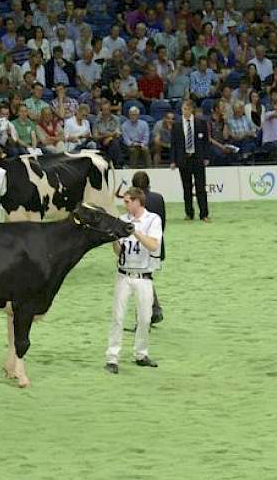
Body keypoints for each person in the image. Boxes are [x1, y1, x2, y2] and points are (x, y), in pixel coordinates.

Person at [104, 187, 163, 374]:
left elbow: (154, 246)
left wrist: (135, 232)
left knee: (145, 318)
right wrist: (114, 239)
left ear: (138, 201)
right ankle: (112, 358)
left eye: (128, 201)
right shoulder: (122, 220)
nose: (126, 205)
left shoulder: (153, 220)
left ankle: (141, 354)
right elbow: (119, 252)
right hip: (124, 274)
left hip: (144, 276)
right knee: (118, 317)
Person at [132, 172, 165, 324]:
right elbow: (162, 223)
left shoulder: (134, 202)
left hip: (140, 247)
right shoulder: (158, 198)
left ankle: (145, 317)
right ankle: (155, 310)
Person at [170, 99, 210, 222]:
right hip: (183, 160)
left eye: (187, 109)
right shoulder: (176, 125)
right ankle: (189, 213)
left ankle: (204, 214)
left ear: (192, 109)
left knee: (200, 188)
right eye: (183, 109)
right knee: (186, 188)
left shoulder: (201, 123)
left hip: (197, 158)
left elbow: (206, 142)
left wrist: (206, 157)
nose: (185, 111)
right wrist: (173, 161)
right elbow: (174, 144)